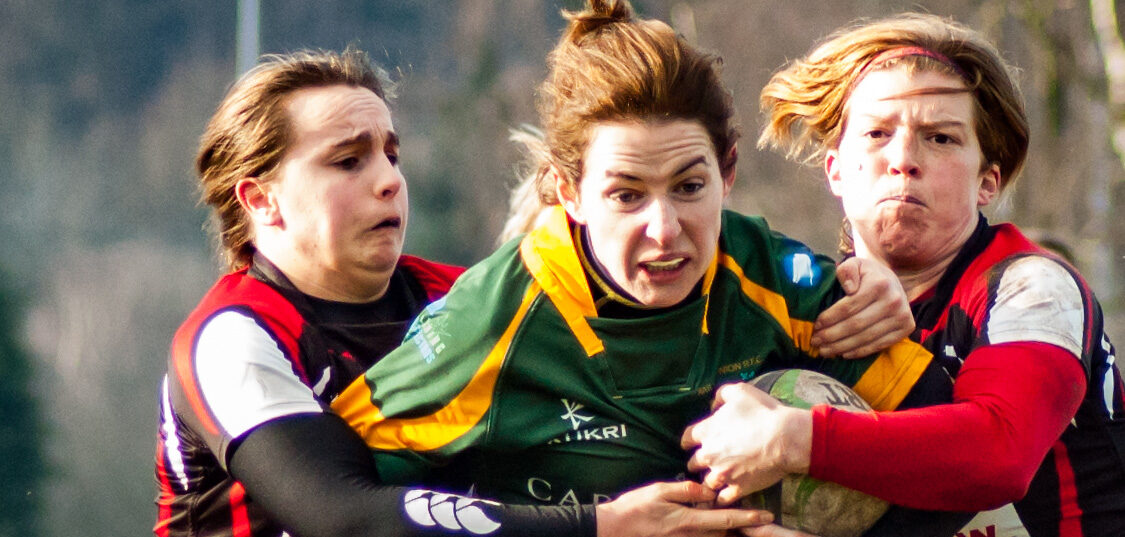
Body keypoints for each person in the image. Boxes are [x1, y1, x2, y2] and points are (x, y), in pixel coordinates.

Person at [333, 2, 961, 536]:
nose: (665, 229)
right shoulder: (491, 322)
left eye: (689, 186)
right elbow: (339, 500)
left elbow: (952, 467)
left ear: (728, 172)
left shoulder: (773, 278)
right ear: (568, 192)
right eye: (626, 195)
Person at [153, 46, 780, 537]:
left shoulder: (464, 300)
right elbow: (342, 519)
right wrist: (600, 526)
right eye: (349, 161)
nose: (389, 181)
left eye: (391, 155)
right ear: (261, 200)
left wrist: (856, 293)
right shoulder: (232, 338)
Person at [682, 12, 1125, 537]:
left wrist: (793, 439)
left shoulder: (1035, 288)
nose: (903, 159)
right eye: (876, 133)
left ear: (988, 182)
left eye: (939, 138)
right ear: (836, 171)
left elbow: (999, 455)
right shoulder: (804, 301)